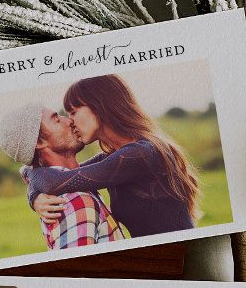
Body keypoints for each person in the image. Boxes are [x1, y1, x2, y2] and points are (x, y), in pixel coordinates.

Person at [22, 74, 200, 238]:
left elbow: (58, 180)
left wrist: (31, 183)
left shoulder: (139, 155)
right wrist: (35, 195)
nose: (70, 121)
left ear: (98, 106)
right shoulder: (117, 156)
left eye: (73, 112)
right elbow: (65, 175)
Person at [0, 102, 124, 250]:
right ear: (38, 142)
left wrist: (31, 184)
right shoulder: (75, 202)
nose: (70, 121)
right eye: (56, 119)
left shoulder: (73, 189)